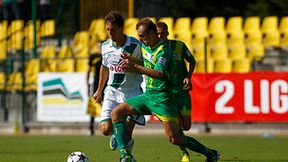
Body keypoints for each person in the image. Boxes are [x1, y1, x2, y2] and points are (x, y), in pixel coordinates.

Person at [111, 18, 220, 162]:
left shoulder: (165, 50)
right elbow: (146, 62)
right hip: (148, 95)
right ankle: (126, 156)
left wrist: (134, 68)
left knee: (175, 138)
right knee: (116, 113)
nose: (141, 39)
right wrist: (131, 59)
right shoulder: (146, 46)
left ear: (152, 33)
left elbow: (159, 74)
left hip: (163, 99)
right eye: (139, 36)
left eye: (143, 36)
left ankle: (210, 153)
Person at [92, 10, 145, 159]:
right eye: (107, 29)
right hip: (112, 91)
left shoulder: (135, 45)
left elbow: (147, 65)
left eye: (113, 30)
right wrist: (99, 90)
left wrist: (133, 67)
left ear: (121, 28)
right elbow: (105, 67)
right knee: (105, 129)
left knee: (126, 136)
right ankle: (118, 135)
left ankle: (127, 157)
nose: (109, 33)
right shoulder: (105, 46)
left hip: (132, 92)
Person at [156, 21, 196, 162]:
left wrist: (188, 77)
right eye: (157, 33)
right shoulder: (156, 50)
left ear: (167, 33)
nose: (160, 36)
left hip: (182, 92)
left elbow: (192, 61)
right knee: (176, 125)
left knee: (187, 126)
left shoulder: (179, 46)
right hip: (167, 93)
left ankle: (186, 145)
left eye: (162, 33)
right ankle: (184, 152)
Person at [86, 52, 102, 136]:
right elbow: (88, 70)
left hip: (107, 82)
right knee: (93, 104)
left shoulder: (108, 54)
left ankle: (109, 128)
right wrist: (87, 83)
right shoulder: (93, 56)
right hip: (96, 83)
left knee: (108, 104)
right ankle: (90, 128)